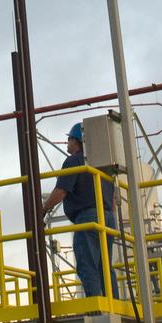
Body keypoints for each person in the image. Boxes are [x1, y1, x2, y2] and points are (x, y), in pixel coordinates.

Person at [40, 123, 118, 298]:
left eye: (69, 139)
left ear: (75, 140)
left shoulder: (74, 161)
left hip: (89, 217)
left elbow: (61, 191)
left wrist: (43, 209)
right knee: (105, 266)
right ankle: (113, 305)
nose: (67, 143)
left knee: (87, 265)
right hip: (108, 218)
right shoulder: (101, 164)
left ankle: (96, 309)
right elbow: (112, 200)